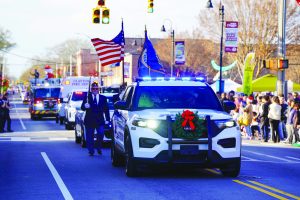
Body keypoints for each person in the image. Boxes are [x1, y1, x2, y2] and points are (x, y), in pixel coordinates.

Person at [81, 82, 110, 156]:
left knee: (100, 134)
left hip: (99, 120)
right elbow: (82, 108)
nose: (95, 90)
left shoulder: (103, 98)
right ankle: (91, 150)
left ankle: (98, 146)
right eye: (93, 88)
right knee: (89, 136)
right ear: (91, 89)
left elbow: (106, 109)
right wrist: (85, 106)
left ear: (98, 89)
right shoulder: (87, 97)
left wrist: (107, 119)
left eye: (96, 88)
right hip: (89, 120)